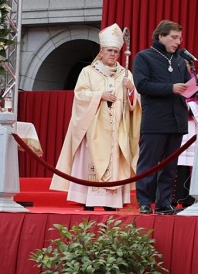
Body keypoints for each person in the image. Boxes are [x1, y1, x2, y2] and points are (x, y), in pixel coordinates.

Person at [52, 23, 141, 211]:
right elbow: (80, 95)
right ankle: (88, 201)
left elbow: (133, 104)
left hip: (117, 129)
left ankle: (111, 203)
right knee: (89, 162)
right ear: (101, 52)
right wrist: (100, 95)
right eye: (109, 51)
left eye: (116, 52)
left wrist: (131, 90)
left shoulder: (125, 74)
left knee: (115, 160)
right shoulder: (89, 72)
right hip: (93, 128)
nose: (113, 55)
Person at [133, 20, 198, 215]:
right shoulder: (144, 57)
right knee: (149, 163)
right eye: (174, 37)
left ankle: (163, 203)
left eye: (180, 38)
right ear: (161, 36)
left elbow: (186, 88)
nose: (178, 42)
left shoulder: (178, 60)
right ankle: (144, 202)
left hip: (177, 119)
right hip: (155, 119)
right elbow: (142, 85)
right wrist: (170, 88)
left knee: (169, 166)